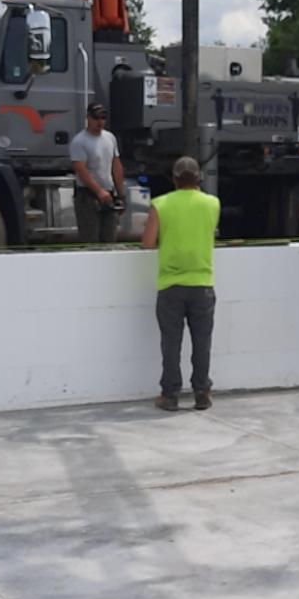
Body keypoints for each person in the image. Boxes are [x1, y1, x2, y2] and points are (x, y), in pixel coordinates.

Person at [142, 156, 220, 411]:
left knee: (171, 343)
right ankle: (202, 393)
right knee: (202, 342)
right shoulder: (212, 203)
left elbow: (148, 242)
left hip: (171, 285)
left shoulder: (160, 204)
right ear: (198, 178)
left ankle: (170, 395)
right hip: (202, 284)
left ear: (174, 179)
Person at [70, 102, 125, 243]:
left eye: (103, 118)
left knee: (109, 239)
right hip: (87, 195)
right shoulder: (79, 141)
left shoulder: (110, 138)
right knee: (90, 241)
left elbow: (115, 164)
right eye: (96, 118)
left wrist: (120, 193)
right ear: (88, 118)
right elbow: (80, 169)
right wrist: (99, 191)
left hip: (109, 193)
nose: (100, 122)